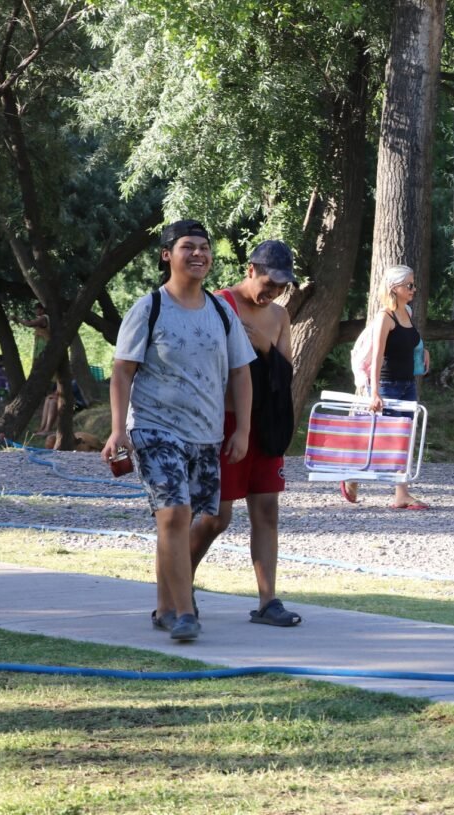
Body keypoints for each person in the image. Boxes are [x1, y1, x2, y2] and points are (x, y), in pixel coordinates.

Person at [101, 220, 255, 643]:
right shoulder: (149, 308)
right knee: (173, 514)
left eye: (204, 247)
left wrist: (242, 429)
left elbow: (241, 373)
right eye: (188, 246)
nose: (198, 254)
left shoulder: (221, 311)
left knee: (192, 520)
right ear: (167, 255)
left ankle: (166, 607)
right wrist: (117, 430)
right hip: (155, 428)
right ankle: (186, 613)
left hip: (205, 434)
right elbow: (122, 372)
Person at [189, 239, 301, 627]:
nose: (274, 292)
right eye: (269, 283)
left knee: (266, 511)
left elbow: (285, 375)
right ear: (251, 270)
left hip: (264, 426)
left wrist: (261, 343)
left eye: (281, 286)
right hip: (226, 424)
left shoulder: (280, 316)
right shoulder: (220, 304)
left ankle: (268, 601)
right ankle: (178, 586)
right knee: (215, 517)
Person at [342, 264, 430, 508]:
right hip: (387, 384)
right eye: (409, 285)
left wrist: (423, 350)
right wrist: (375, 392)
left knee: (405, 438)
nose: (413, 289)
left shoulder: (407, 312)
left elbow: (409, 341)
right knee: (383, 438)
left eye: (414, 284)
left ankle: (401, 494)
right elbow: (378, 355)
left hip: (408, 384)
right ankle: (353, 474)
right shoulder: (385, 317)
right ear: (394, 287)